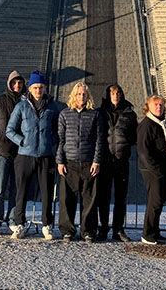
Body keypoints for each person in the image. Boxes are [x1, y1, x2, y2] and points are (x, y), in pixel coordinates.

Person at [6, 70, 59, 240]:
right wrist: (22, 141)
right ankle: (19, 223)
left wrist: (52, 143)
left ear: (45, 88)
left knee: (46, 191)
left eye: (41, 87)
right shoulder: (21, 106)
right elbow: (9, 130)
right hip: (25, 155)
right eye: (35, 87)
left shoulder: (52, 106)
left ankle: (46, 224)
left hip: (45, 155)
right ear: (30, 89)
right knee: (21, 191)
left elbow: (58, 130)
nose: (38, 90)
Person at [56, 82, 105, 242]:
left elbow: (99, 139)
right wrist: (60, 161)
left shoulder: (94, 115)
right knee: (66, 199)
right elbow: (60, 139)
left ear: (88, 96)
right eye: (78, 94)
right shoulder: (64, 114)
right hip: (69, 162)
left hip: (88, 162)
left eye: (84, 94)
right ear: (73, 95)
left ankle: (88, 230)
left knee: (89, 199)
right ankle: (67, 230)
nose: (81, 97)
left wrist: (97, 161)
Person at [0, 71, 25, 236]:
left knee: (16, 190)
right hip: (1, 152)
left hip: (20, 153)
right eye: (14, 83)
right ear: (9, 84)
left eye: (20, 83)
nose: (17, 86)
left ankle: (13, 221)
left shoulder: (26, 102)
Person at [96, 84, 138, 242]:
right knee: (103, 197)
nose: (116, 96)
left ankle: (118, 229)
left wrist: (125, 145)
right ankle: (103, 227)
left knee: (121, 197)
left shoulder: (130, 113)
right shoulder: (101, 112)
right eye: (113, 93)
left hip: (122, 160)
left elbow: (134, 135)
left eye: (118, 93)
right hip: (105, 160)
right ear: (108, 95)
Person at [137, 94, 166, 245]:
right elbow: (144, 152)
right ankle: (147, 233)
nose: (159, 107)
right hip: (152, 170)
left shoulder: (163, 123)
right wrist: (156, 170)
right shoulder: (147, 125)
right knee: (155, 200)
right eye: (156, 104)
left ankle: (155, 230)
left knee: (160, 199)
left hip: (163, 168)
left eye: (161, 105)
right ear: (149, 107)